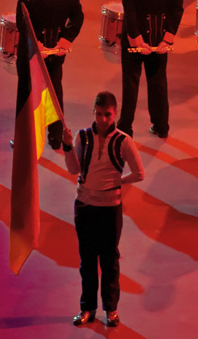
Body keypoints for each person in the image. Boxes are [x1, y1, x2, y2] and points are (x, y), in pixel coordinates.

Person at [60, 91, 144, 329]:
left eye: (107, 115)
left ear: (115, 113)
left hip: (109, 209)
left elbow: (140, 174)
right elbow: (72, 170)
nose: (103, 119)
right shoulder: (82, 137)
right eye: (99, 114)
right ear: (93, 112)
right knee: (87, 260)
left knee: (109, 260)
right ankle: (87, 307)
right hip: (84, 207)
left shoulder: (124, 141)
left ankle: (111, 309)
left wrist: (117, 183)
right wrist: (67, 147)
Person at [116, 0, 185, 137]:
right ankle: (161, 126)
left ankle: (125, 127)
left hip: (135, 41)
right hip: (160, 39)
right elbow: (177, 10)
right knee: (158, 82)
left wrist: (137, 41)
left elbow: (129, 12)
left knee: (130, 81)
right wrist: (166, 39)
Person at [16, 0, 84, 149]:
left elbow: (22, 23)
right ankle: (55, 136)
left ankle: (27, 137)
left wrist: (36, 44)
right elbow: (77, 18)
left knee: (27, 93)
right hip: (56, 50)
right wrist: (64, 41)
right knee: (54, 91)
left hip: (32, 52)